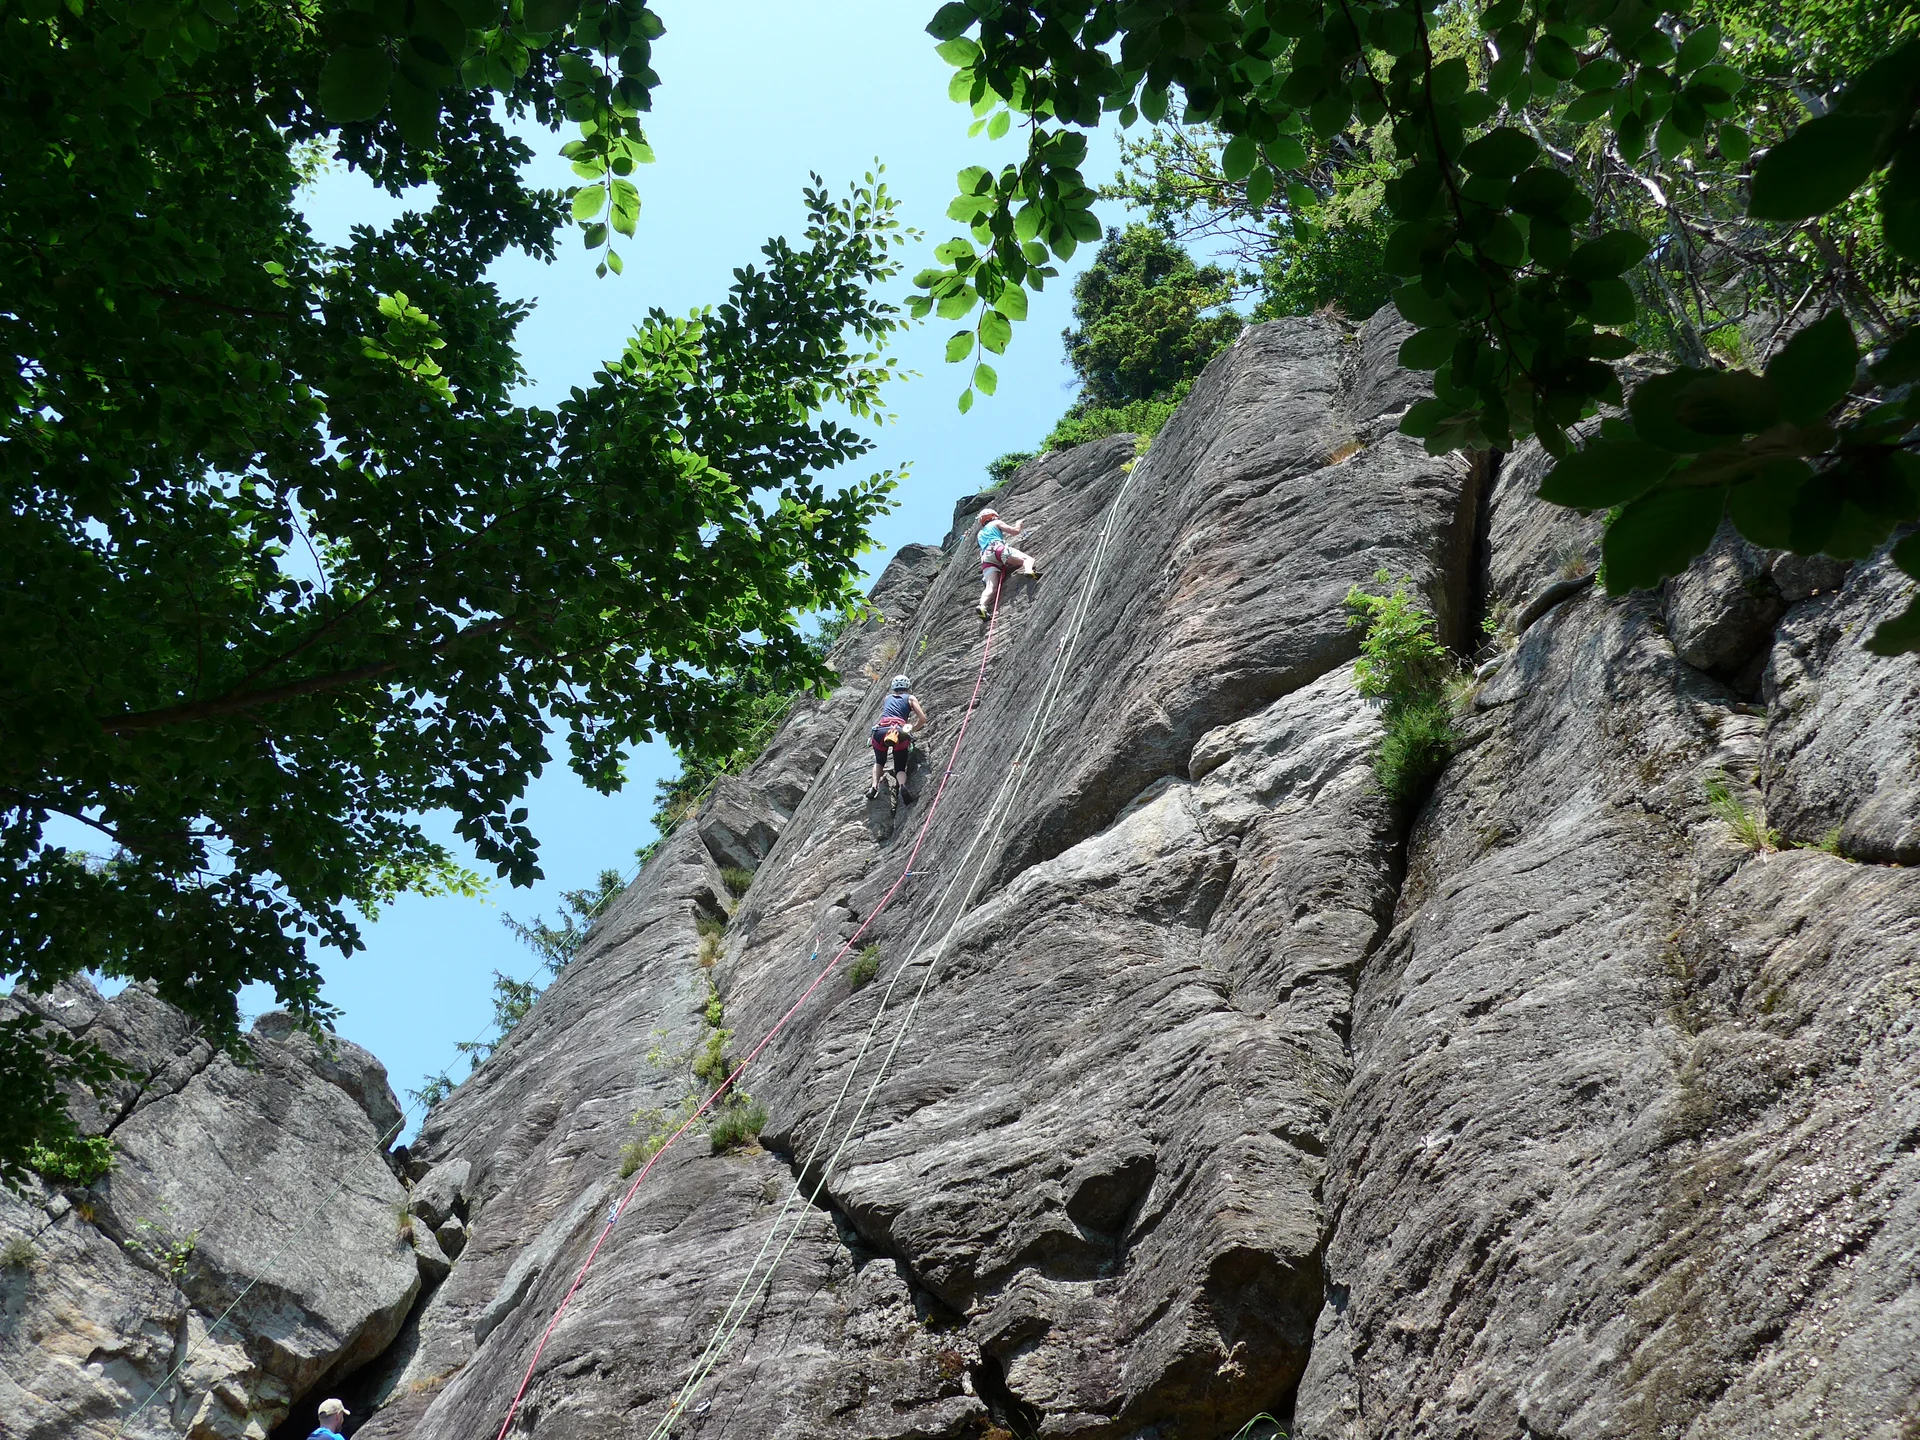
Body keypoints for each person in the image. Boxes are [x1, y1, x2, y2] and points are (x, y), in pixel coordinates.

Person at [868, 674, 928, 805]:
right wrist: (912, 729)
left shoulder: (887, 698)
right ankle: (902, 786)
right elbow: (923, 719)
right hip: (900, 732)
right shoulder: (910, 698)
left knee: (879, 761)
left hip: (881, 731)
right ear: (908, 686)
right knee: (900, 767)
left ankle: (874, 786)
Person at [975, 507, 1038, 618]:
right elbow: (1015, 531)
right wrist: (1018, 524)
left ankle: (982, 606)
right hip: (998, 549)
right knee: (1028, 560)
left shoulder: (980, 534)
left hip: (986, 558)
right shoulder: (996, 523)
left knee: (990, 586)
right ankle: (1029, 570)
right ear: (992, 516)